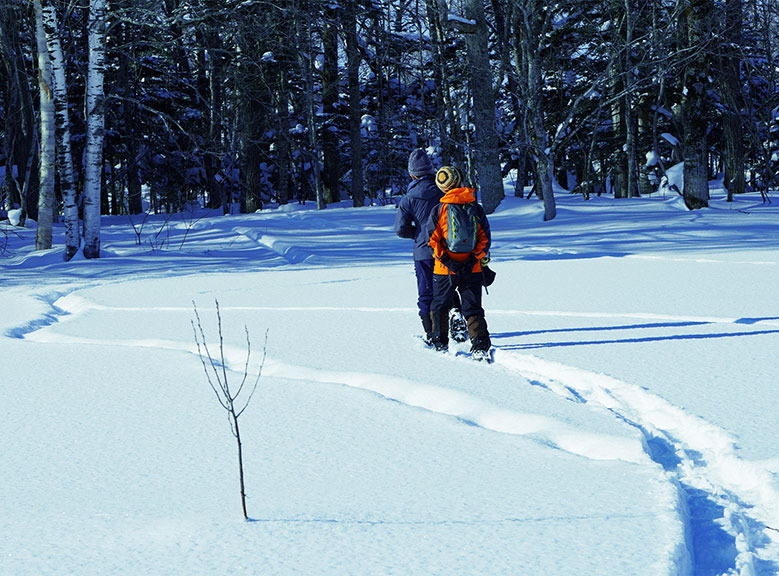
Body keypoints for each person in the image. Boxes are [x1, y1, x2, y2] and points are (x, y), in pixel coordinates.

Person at [395, 149, 466, 344]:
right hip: (449, 250)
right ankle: (455, 313)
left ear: (412, 174)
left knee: (426, 292)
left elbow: (400, 229)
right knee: (449, 287)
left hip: (424, 252)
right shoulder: (443, 190)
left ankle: (431, 333)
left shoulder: (408, 199)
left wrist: (417, 234)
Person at [426, 166, 492, 359]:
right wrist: (472, 259)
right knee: (472, 307)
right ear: (460, 180)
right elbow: (485, 239)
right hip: (472, 267)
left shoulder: (439, 210)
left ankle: (439, 344)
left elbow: (432, 240)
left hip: (444, 269)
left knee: (440, 305)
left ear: (442, 187)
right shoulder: (475, 207)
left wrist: (448, 261)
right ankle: (480, 345)